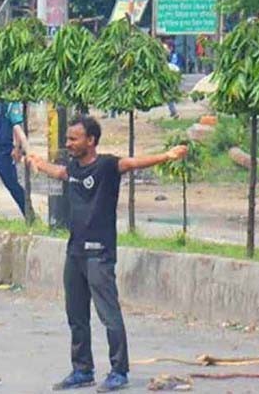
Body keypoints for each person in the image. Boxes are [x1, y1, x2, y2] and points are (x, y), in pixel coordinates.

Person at [25, 117, 187, 392]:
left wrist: (167, 155)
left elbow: (133, 163)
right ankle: (82, 370)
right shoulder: (73, 168)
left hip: (99, 254)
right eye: (68, 138)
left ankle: (119, 371)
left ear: (91, 140)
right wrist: (36, 163)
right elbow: (58, 172)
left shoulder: (108, 166)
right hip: (74, 253)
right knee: (76, 315)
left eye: (74, 139)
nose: (68, 144)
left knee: (109, 315)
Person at [165, 41, 184, 119]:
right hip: (170, 75)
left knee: (169, 94)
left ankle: (174, 112)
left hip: (173, 76)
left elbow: (176, 66)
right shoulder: (168, 55)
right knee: (169, 94)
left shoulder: (175, 56)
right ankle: (173, 111)